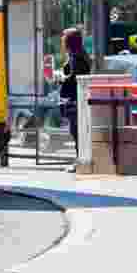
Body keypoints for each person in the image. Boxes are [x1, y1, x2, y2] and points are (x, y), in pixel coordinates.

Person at [58, 27, 91, 171]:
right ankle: (80, 160)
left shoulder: (76, 57)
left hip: (76, 99)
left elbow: (73, 78)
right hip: (77, 98)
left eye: (64, 39)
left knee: (77, 131)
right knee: (77, 131)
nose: (62, 42)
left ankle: (80, 161)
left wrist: (60, 78)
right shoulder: (80, 55)